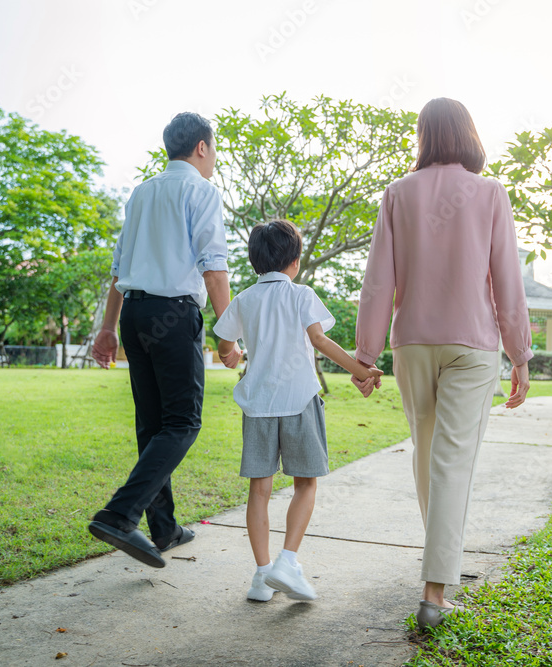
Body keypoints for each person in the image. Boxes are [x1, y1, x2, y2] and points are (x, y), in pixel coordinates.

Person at [354, 97, 533, 629]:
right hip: (473, 346)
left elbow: (377, 282)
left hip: (413, 343)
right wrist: (519, 353)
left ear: (424, 136)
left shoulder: (398, 193)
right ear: (468, 134)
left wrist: (366, 355)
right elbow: (508, 282)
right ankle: (435, 589)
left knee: (428, 455)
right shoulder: (490, 192)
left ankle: (440, 569)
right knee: (451, 462)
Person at [89, 112, 242, 568]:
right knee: (182, 423)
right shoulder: (201, 190)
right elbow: (214, 267)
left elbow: (120, 267)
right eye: (213, 149)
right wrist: (229, 335)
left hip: (135, 313)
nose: (214, 158)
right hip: (173, 315)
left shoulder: (142, 192)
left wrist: (107, 327)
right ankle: (120, 513)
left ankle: (164, 528)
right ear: (201, 147)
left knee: (152, 424)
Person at [212, 219, 383, 602]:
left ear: (256, 261)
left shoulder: (243, 300)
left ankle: (261, 576)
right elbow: (320, 339)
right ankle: (287, 561)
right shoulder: (302, 295)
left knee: (260, 488)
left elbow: (224, 342)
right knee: (305, 482)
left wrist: (231, 355)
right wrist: (361, 370)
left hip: (257, 405)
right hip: (300, 400)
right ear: (295, 261)